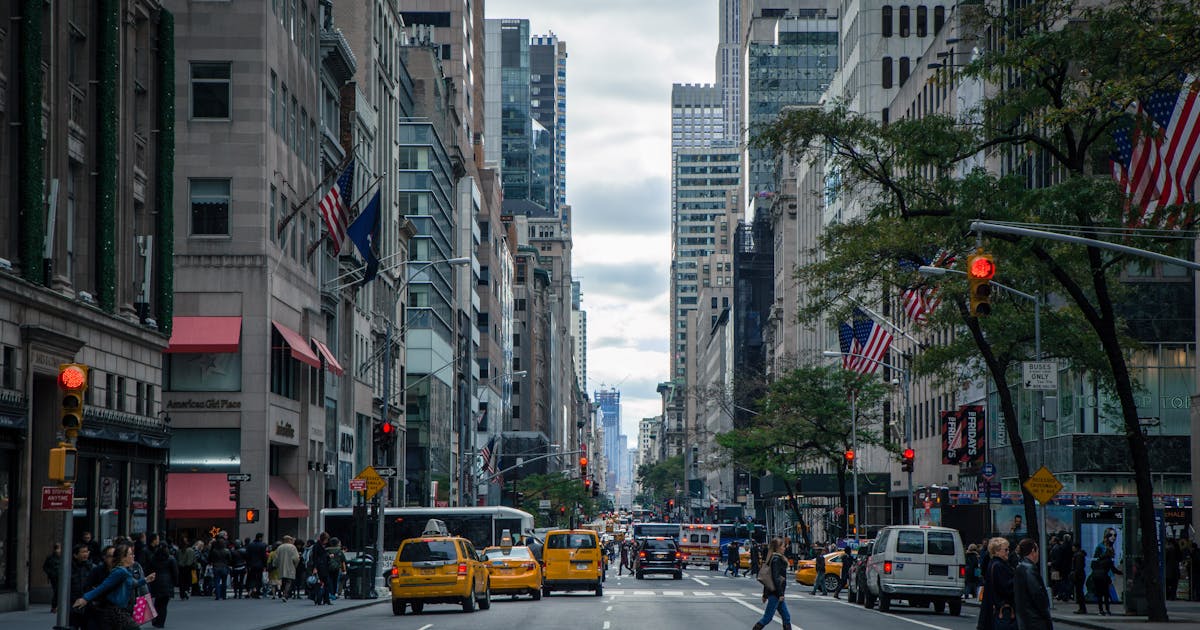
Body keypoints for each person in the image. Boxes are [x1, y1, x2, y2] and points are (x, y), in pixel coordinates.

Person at [73, 543, 156, 630]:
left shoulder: (125, 571)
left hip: (119, 611)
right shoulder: (120, 572)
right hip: (115, 612)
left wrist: (146, 580)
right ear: (123, 558)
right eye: (131, 554)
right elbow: (103, 586)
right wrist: (85, 598)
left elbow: (132, 583)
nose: (133, 556)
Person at [1013, 538, 1053, 630]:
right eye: (1037, 550)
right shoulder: (1029, 569)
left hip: (1025, 619)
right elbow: (1037, 594)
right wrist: (1045, 612)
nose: (1038, 554)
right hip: (1035, 620)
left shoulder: (1020, 567)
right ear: (1033, 551)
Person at [752, 538, 792, 630]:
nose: (784, 548)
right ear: (777, 548)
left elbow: (768, 578)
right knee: (767, 618)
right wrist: (780, 594)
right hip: (776, 593)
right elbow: (775, 578)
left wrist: (765, 594)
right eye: (783, 546)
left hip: (775, 592)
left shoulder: (773, 558)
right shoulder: (776, 559)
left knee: (786, 617)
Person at [978, 537, 1015, 630]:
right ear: (996, 551)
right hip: (1002, 609)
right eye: (1005, 549)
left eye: (1008, 549)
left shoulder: (994, 564)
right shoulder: (999, 566)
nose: (1008, 552)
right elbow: (1006, 587)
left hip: (996, 609)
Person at [147, 542, 177, 628]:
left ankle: (156, 620)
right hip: (167, 583)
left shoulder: (154, 558)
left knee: (157, 603)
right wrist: (175, 582)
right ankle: (160, 622)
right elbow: (175, 573)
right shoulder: (171, 559)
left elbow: (149, 569)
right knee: (163, 605)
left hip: (156, 582)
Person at [67, 544, 92, 630]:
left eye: (87, 551)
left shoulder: (91, 567)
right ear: (75, 555)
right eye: (83, 552)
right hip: (73, 604)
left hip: (87, 604)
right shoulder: (69, 568)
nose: (86, 554)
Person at [1092, 547, 1122, 616]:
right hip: (1103, 578)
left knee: (1099, 595)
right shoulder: (1109, 560)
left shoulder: (1100, 559)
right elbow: (1114, 570)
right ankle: (1107, 610)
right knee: (1106, 595)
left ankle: (1101, 610)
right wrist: (1122, 573)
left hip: (1096, 577)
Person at [275, 535, 300, 602]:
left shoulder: (279, 547)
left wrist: (276, 565)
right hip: (290, 566)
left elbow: (276, 559)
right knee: (289, 581)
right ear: (289, 540)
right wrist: (295, 565)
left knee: (283, 580)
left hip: (281, 567)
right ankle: (285, 595)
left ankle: (283, 592)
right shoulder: (292, 547)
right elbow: (296, 558)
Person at [245, 533, 268, 598]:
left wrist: (248, 564)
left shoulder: (250, 545)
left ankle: (250, 591)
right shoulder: (263, 545)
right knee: (258, 578)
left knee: (251, 578)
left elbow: (247, 556)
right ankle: (256, 592)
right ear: (260, 538)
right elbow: (264, 556)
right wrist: (265, 565)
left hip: (251, 564)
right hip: (260, 564)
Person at [44, 542, 63, 613]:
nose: (58, 550)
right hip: (54, 578)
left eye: (59, 548)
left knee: (59, 592)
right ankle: (54, 606)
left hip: (62, 577)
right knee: (57, 591)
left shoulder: (64, 557)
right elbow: (45, 567)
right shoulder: (50, 557)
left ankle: (58, 606)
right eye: (57, 549)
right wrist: (51, 573)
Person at [1071, 546, 1088, 614]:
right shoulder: (1080, 555)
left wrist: (1075, 574)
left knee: (1079, 592)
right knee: (1079, 592)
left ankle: (1082, 608)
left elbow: (1078, 567)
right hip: (1080, 575)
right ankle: (1082, 608)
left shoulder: (1078, 555)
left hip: (1079, 576)